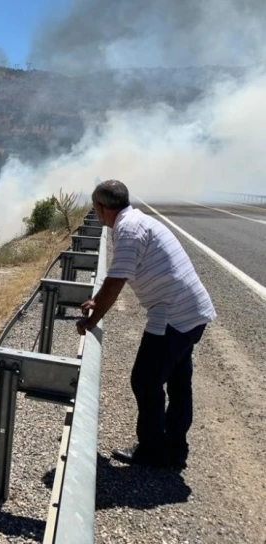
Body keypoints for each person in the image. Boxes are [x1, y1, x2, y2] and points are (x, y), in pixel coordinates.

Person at [76, 180, 216, 470]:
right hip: (192, 312)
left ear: (102, 208)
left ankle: (152, 450)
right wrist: (96, 301)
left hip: (173, 315)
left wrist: (92, 317)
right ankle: (175, 449)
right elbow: (116, 277)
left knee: (145, 380)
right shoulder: (138, 221)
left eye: (95, 208)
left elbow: (116, 281)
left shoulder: (127, 230)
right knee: (178, 382)